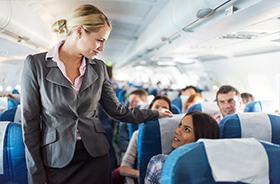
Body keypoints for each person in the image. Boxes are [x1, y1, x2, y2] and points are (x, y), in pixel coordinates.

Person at [20, 4, 173, 184]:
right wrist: (36, 175)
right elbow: (29, 124)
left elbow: (117, 111)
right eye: (99, 40)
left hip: (95, 155)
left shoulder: (99, 68)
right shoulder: (36, 64)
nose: (101, 48)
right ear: (79, 32)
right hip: (56, 159)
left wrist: (155, 113)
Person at [145, 111, 220, 184]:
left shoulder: (218, 170)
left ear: (201, 137)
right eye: (180, 125)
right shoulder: (159, 162)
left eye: (187, 129)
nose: (177, 131)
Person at [115, 95, 172, 183]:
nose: (160, 110)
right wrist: (145, 175)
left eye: (164, 108)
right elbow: (123, 169)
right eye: (156, 107)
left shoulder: (175, 135)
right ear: (150, 110)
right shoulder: (138, 135)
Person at [117, 89, 148, 153]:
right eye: (129, 102)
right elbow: (122, 142)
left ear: (144, 102)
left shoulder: (151, 119)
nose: (130, 104)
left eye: (134, 101)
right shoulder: (125, 120)